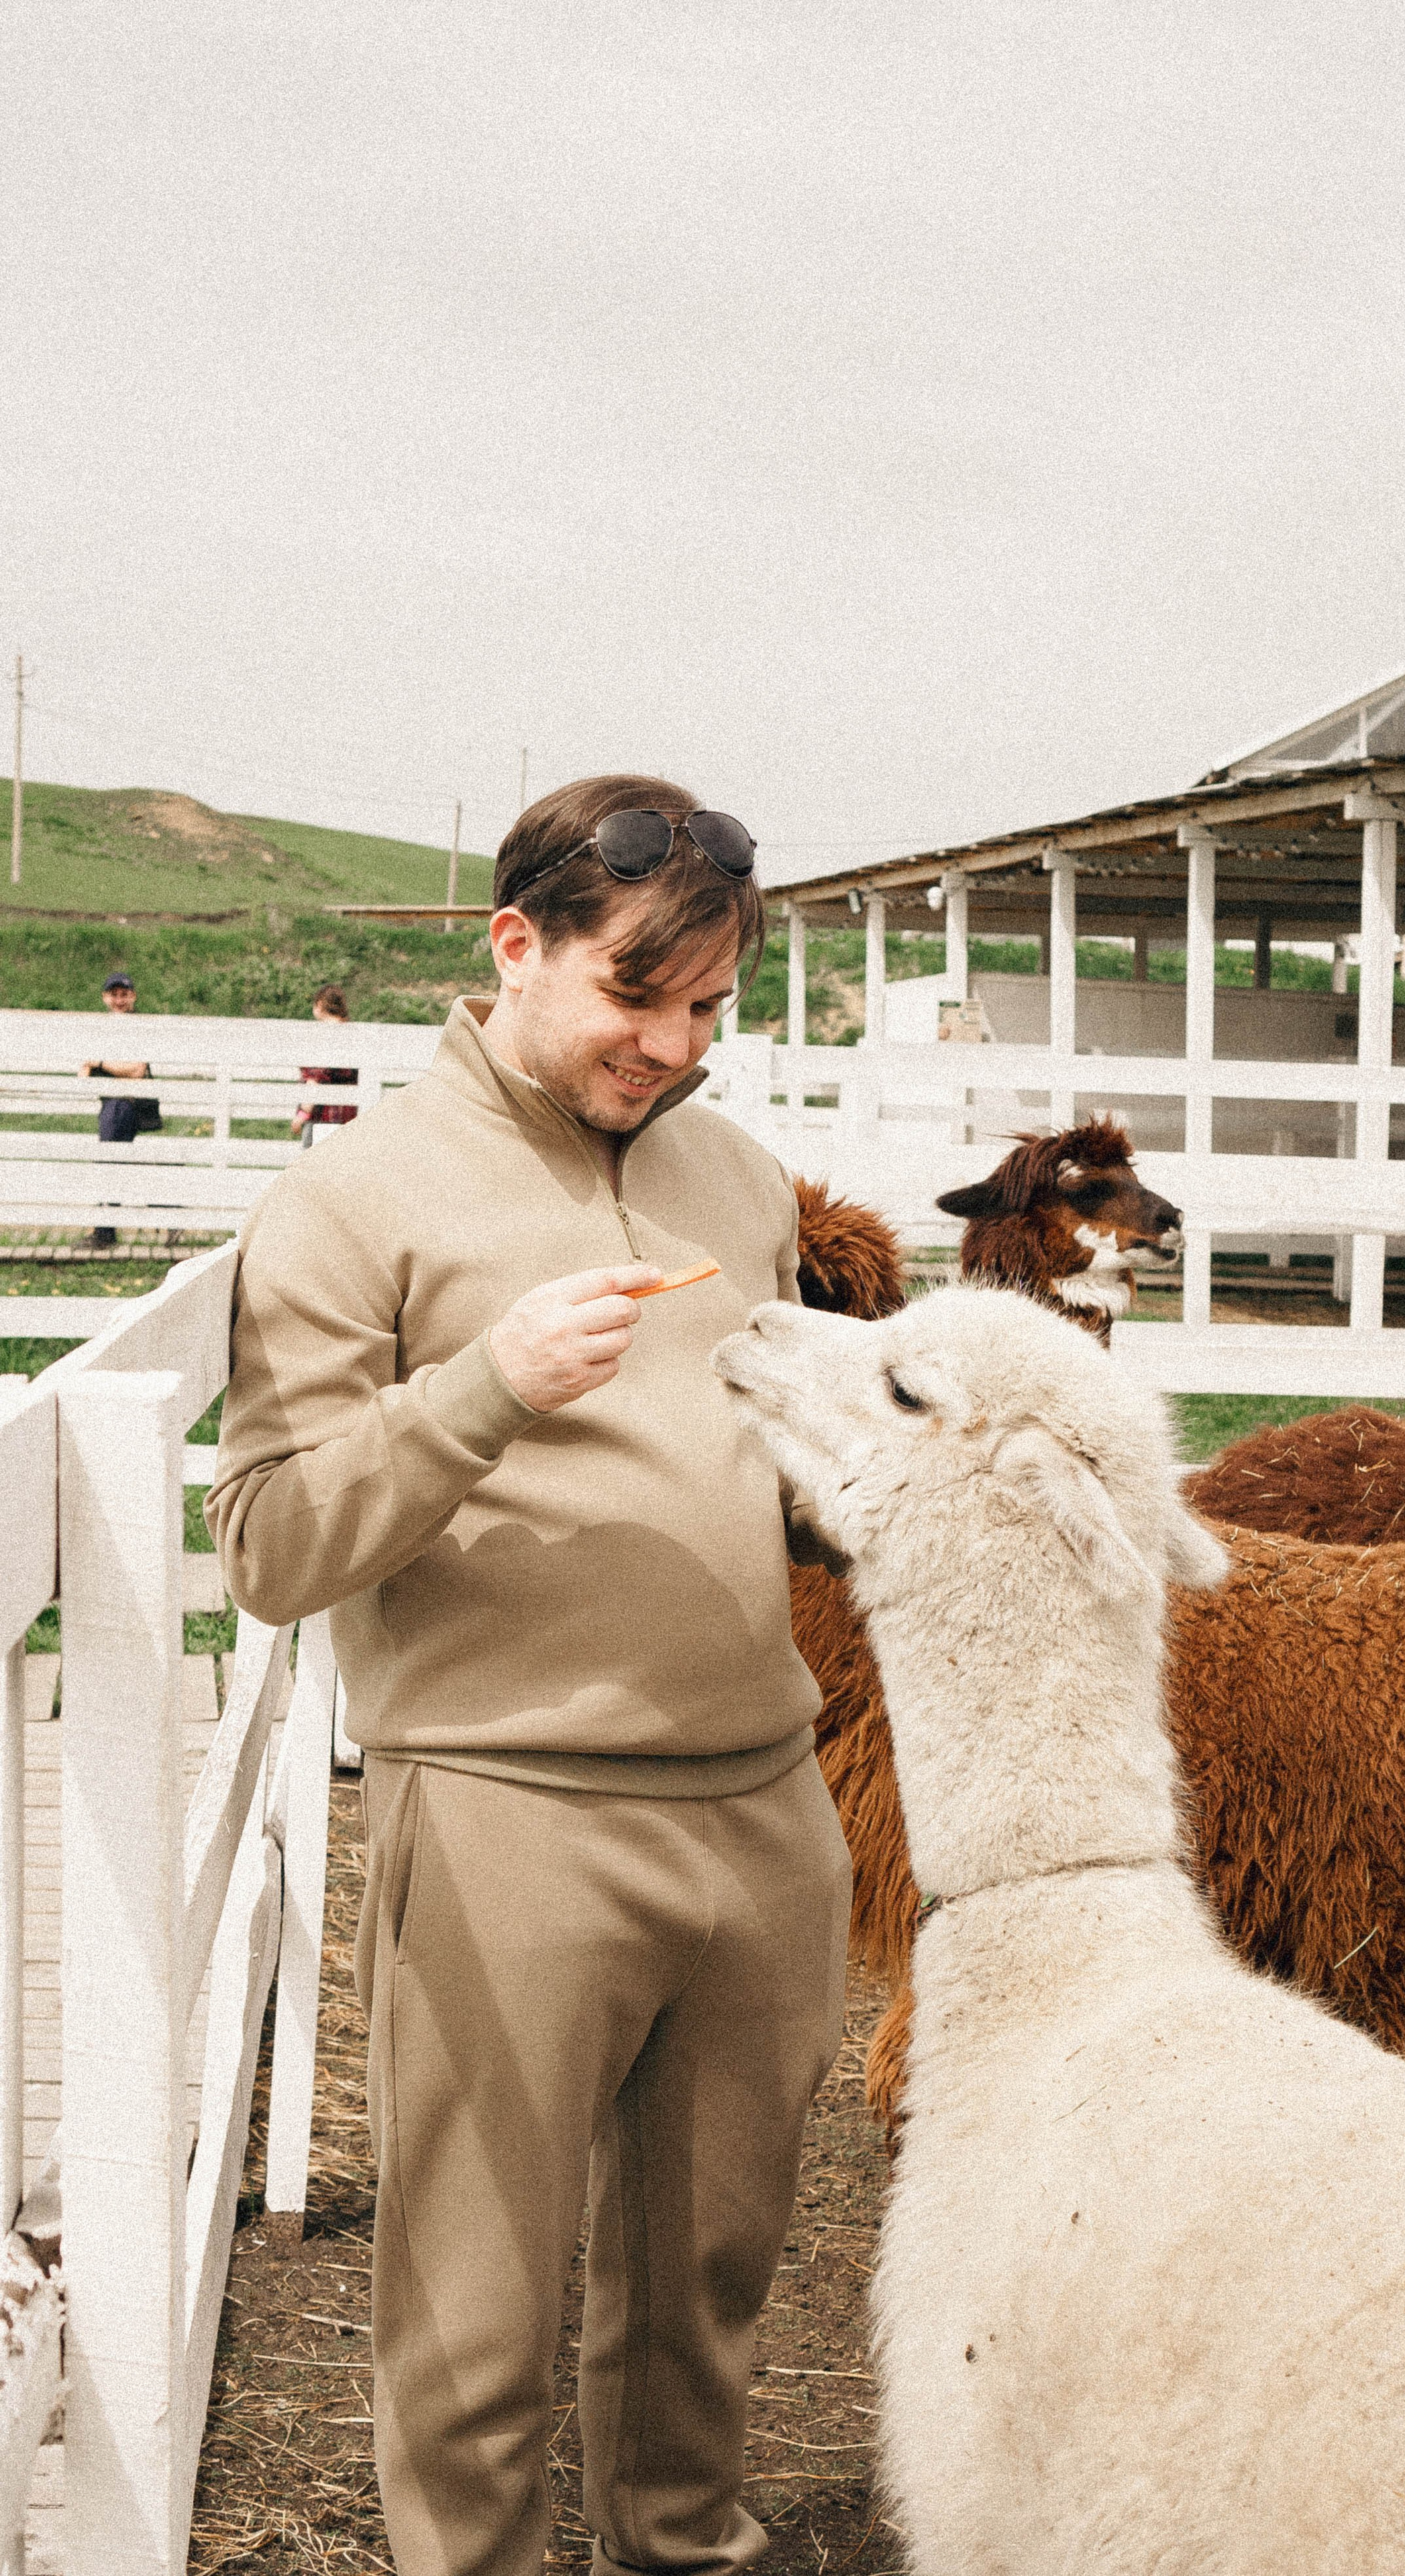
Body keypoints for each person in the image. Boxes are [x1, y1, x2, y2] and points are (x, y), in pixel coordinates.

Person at [207, 775, 849, 2576]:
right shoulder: (353, 1201)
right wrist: (480, 1390)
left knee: (711, 2291)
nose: (674, 1044)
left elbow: (767, 1464)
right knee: (474, 2324)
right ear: (516, 943)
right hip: (510, 1811)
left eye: (709, 1005)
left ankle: (680, 2551)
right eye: (636, 993)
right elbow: (267, 1546)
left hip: (761, 1803)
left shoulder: (738, 1178)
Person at [81, 970, 160, 1245]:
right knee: (112, 1162)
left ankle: (105, 1232)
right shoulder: (103, 1029)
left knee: (111, 1162)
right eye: (114, 994)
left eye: (124, 994)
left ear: (133, 996)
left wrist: (102, 1064)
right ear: (105, 998)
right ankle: (107, 1228)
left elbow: (137, 1070)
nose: (119, 1000)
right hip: (110, 1103)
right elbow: (84, 1069)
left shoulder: (138, 1028)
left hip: (125, 1103)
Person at [291, 982, 360, 1140]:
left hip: (322, 1117)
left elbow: (314, 1079)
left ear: (320, 1005)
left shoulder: (322, 1037)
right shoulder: (353, 1036)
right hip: (349, 1116)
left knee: (313, 1154)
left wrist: (303, 1113)